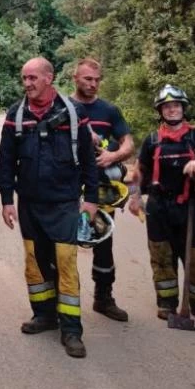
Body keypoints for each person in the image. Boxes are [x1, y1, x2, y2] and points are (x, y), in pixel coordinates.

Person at [0, 57, 99, 358]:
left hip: (64, 203)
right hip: (29, 203)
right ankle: (43, 315)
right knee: (35, 262)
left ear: (49, 78)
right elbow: (6, 161)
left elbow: (88, 159)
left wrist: (91, 199)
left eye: (33, 78)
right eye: (24, 78)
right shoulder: (16, 115)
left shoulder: (73, 112)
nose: (27, 83)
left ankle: (71, 329)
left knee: (65, 263)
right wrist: (6, 200)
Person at [128, 85, 195, 323]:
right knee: (162, 257)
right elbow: (138, 172)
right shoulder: (152, 140)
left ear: (183, 108)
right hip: (158, 207)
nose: (172, 110)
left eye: (176, 105)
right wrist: (134, 196)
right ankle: (167, 303)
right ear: (160, 111)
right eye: (167, 106)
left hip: (191, 206)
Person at [69, 58, 133, 322]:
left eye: (97, 80)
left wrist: (113, 156)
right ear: (75, 78)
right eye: (87, 79)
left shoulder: (109, 110)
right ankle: (61, 302)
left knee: (104, 245)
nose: (93, 84)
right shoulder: (63, 107)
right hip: (68, 189)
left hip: (102, 189)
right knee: (64, 246)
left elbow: (128, 143)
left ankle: (103, 298)